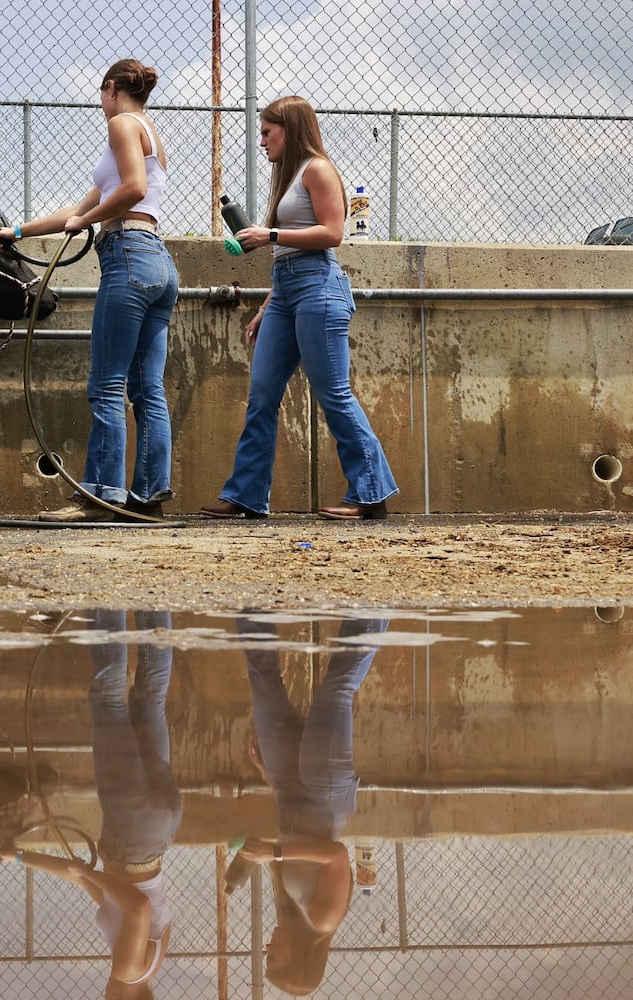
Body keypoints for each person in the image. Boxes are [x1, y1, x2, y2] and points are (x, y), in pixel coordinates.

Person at [0, 59, 180, 522]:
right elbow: (83, 206)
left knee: (107, 385)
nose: (101, 105)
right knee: (148, 389)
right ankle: (148, 497)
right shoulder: (149, 130)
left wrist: (87, 221)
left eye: (101, 95)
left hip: (129, 257)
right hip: (159, 262)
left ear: (111, 89)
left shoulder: (120, 124)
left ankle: (98, 495)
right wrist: (17, 230)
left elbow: (131, 191)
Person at [199, 95, 398, 521]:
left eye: (268, 132)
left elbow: (332, 233)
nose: (263, 141)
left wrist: (268, 234)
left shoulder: (319, 169)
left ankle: (370, 494)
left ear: (290, 128)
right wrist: (267, 305)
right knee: (262, 395)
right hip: (287, 293)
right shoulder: (289, 177)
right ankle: (247, 496)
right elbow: (287, 256)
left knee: (334, 394)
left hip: (318, 290)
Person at [0, 610, 180, 997]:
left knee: (150, 700)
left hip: (158, 830)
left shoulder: (152, 963)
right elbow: (136, 907)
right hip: (131, 837)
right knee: (107, 701)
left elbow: (83, 879)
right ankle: (106, 598)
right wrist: (96, 873)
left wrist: (15, 857)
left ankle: (154, 597)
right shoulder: (128, 970)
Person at [231, 614, 388, 995]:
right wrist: (273, 852)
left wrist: (269, 780)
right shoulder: (323, 921)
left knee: (262, 682)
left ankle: (252, 597)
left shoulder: (288, 909)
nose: (266, 948)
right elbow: (334, 855)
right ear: (298, 957)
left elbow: (289, 834)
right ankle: (374, 602)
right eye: (273, 957)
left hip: (287, 788)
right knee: (336, 689)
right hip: (324, 792)